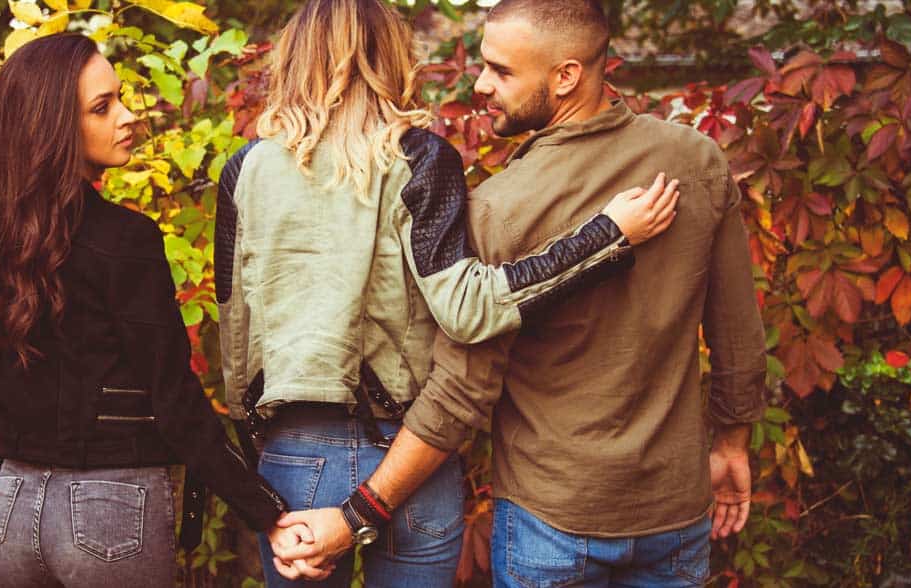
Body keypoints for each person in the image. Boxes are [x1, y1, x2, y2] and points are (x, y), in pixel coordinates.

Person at [274, 1, 767, 586]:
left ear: (566, 76)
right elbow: (739, 332)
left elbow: (460, 392)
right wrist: (733, 443)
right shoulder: (696, 161)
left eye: (502, 71)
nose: (482, 84)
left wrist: (358, 513)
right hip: (674, 510)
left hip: (551, 521)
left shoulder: (499, 209)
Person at [0, 33, 306, 587]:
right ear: (52, 127)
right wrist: (266, 511)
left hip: (9, 510)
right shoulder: (125, 239)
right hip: (110, 513)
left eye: (120, 98)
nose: (128, 117)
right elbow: (174, 398)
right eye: (102, 106)